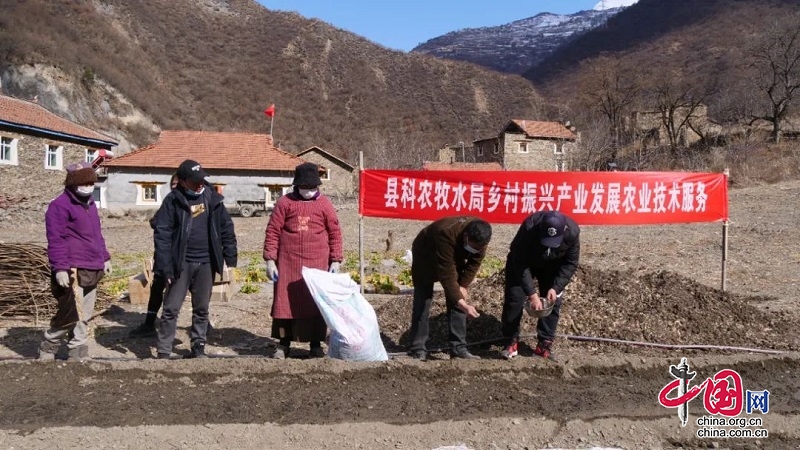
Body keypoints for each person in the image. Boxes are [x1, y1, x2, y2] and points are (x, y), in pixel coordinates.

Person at [152, 160, 237, 359]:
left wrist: (230, 257)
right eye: (194, 181)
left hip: (206, 263)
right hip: (181, 263)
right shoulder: (172, 201)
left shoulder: (212, 199)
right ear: (182, 181)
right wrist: (165, 267)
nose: (199, 184)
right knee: (171, 308)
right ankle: (164, 350)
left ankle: (198, 346)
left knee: (201, 308)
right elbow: (162, 235)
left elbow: (226, 228)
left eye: (201, 179)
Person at [263, 162, 343, 359]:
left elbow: (335, 232)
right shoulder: (285, 203)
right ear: (296, 185)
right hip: (288, 263)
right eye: (304, 187)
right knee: (285, 303)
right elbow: (273, 231)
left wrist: (336, 260)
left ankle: (315, 345)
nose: (308, 191)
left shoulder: (324, 204)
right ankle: (283, 344)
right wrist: (270, 260)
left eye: (312, 188)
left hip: (317, 262)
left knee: (315, 302)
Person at [40, 162, 112, 361]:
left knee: (85, 314)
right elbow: (56, 239)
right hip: (73, 266)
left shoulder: (90, 203)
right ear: (73, 183)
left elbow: (97, 234)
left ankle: (77, 349)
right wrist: (60, 268)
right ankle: (49, 345)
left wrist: (105, 257)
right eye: (85, 183)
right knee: (71, 312)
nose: (89, 186)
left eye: (91, 182)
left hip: (92, 264)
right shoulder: (59, 206)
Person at [406, 216, 492, 361]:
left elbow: (474, 264)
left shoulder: (481, 239)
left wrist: (463, 286)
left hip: (455, 255)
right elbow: (447, 276)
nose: (476, 249)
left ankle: (458, 348)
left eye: (478, 248)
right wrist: (462, 303)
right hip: (426, 254)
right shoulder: (446, 233)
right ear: (466, 236)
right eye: (473, 246)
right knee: (423, 300)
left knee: (458, 297)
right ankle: (417, 347)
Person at [501, 210, 580, 361]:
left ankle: (544, 344)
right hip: (523, 263)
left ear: (564, 230)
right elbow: (519, 261)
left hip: (553, 265)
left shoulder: (573, 233)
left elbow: (571, 263)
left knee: (553, 301)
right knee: (514, 298)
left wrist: (556, 287)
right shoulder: (529, 227)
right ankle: (510, 341)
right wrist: (531, 293)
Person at [129, 173, 179, 338]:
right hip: (164, 253)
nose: (174, 186)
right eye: (173, 183)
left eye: (177, 183)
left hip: (182, 255)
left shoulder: (188, 203)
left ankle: (202, 324)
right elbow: (155, 221)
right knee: (158, 287)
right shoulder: (169, 201)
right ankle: (149, 323)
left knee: (190, 288)